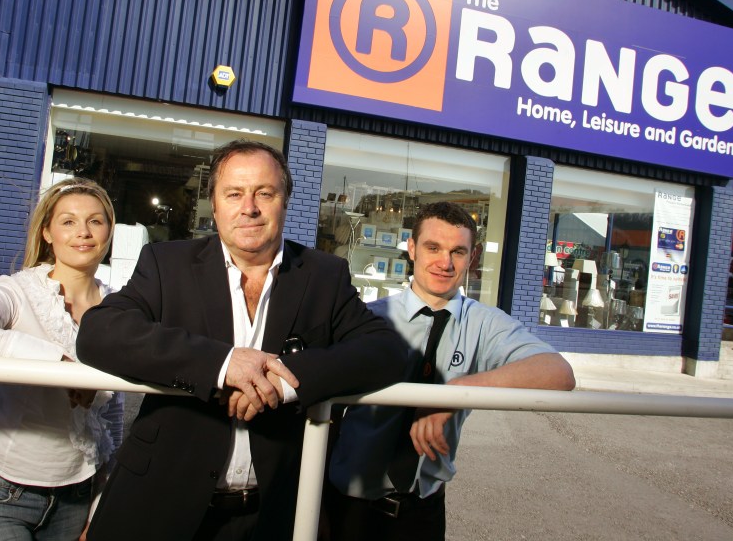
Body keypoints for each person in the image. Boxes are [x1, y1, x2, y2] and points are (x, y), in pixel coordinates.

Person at [76, 139, 407, 541]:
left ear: (285, 201)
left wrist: (285, 380)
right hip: (159, 505)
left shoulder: (324, 275)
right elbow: (99, 332)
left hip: (268, 517)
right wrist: (222, 364)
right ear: (214, 205)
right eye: (234, 193)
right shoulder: (168, 264)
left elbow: (385, 351)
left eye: (264, 193)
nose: (248, 207)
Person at [326, 201, 576, 541]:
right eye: (433, 248)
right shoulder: (367, 317)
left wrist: (454, 393)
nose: (445, 263)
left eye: (458, 252)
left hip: (421, 515)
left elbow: (558, 372)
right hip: (346, 509)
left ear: (472, 259)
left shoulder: (485, 324)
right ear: (412, 249)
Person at [0, 177, 124, 541]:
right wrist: (58, 364)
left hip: (75, 500)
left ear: (109, 230)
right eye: (68, 221)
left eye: (95, 221)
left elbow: (110, 419)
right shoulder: (18, 290)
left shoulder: (120, 307)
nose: (83, 232)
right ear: (48, 233)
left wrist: (100, 505)